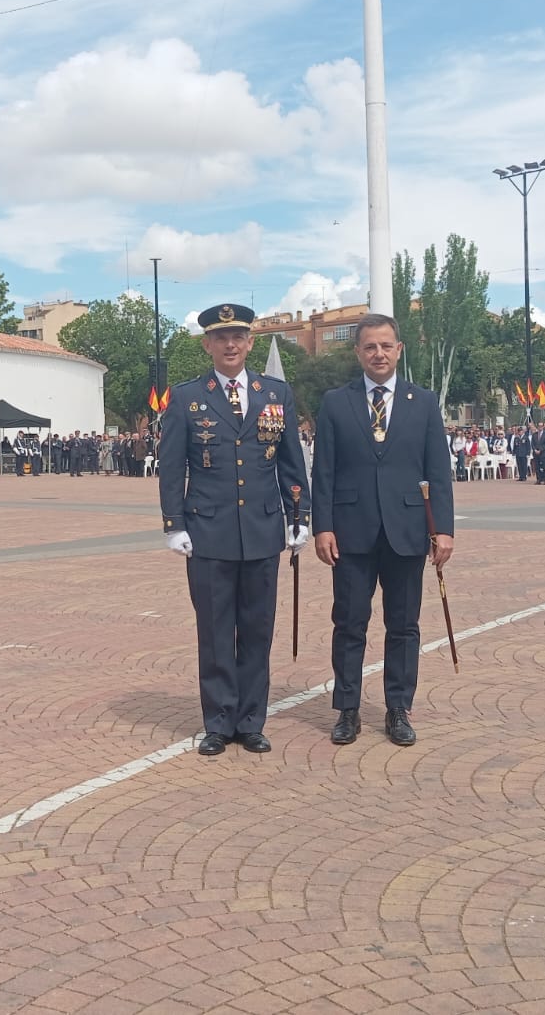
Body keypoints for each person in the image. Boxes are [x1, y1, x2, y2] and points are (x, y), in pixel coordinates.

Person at [158, 302, 307, 756]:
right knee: (217, 630)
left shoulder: (275, 394)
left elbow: (290, 460)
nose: (230, 344)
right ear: (207, 344)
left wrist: (299, 515)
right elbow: (171, 466)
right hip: (209, 532)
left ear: (250, 343)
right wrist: (174, 524)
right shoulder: (187, 397)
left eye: (238, 336)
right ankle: (219, 721)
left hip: (262, 530)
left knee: (258, 629)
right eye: (220, 338)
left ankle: (251, 720)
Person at [312, 313, 454, 749]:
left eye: (386, 346)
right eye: (370, 347)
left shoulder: (423, 402)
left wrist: (443, 529)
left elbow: (438, 470)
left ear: (399, 350)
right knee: (350, 623)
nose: (378, 354)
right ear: (358, 352)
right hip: (351, 533)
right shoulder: (337, 402)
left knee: (404, 625)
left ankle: (398, 708)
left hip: (407, 530)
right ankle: (348, 708)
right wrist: (323, 527)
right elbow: (324, 472)